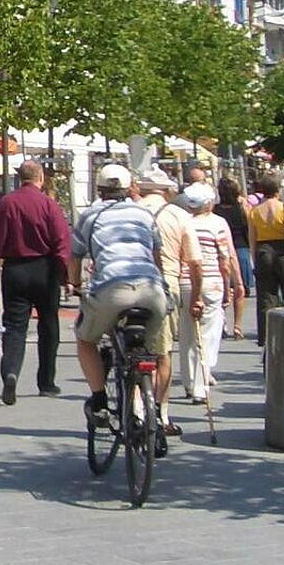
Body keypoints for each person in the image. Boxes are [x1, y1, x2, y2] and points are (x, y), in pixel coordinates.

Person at [72, 164, 172, 451]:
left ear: (100, 189)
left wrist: (75, 285)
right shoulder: (144, 213)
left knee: (85, 338)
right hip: (152, 289)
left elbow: (75, 257)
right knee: (151, 350)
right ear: (130, 188)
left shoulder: (91, 215)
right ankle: (156, 417)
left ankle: (100, 399)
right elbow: (156, 255)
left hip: (112, 289)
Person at [0, 160, 72, 403]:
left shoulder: (7, 203)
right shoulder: (48, 204)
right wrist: (63, 274)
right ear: (40, 178)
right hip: (45, 269)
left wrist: (1, 250)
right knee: (48, 325)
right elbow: (61, 240)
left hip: (15, 269)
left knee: (14, 326)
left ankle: (11, 371)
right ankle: (46, 381)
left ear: (19, 178)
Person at [138, 166, 200, 437]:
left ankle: (136, 409)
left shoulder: (130, 211)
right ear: (167, 191)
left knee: (133, 350)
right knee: (163, 353)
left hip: (130, 282)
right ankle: (162, 414)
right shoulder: (179, 215)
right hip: (166, 285)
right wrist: (196, 297)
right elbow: (195, 263)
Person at [179, 184, 239, 404]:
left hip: (184, 281)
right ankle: (200, 385)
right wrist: (229, 285)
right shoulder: (217, 223)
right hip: (210, 280)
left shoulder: (183, 223)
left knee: (186, 332)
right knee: (207, 335)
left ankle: (187, 380)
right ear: (208, 203)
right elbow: (224, 258)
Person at [248, 173, 284, 348]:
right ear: (278, 190)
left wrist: (255, 260)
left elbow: (252, 239)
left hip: (263, 251)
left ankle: (266, 336)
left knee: (265, 297)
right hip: (283, 252)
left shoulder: (254, 211)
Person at [215, 177, 252, 341]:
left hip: (220, 252)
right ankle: (237, 326)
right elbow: (248, 229)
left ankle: (222, 324)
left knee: (222, 290)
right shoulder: (241, 208)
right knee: (239, 290)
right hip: (241, 249)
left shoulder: (216, 211)